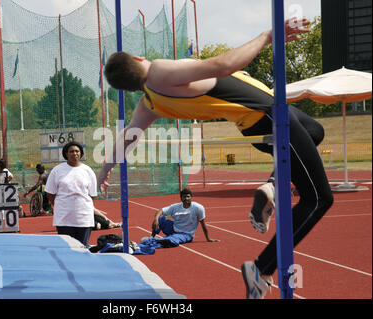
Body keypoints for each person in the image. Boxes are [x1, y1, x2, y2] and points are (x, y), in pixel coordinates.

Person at [97, 17, 334, 299]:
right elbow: (223, 65)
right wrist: (268, 36)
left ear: (130, 88)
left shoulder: (149, 102)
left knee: (315, 130)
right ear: (138, 58)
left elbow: (128, 136)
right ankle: (261, 268)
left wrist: (103, 170)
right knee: (318, 199)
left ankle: (271, 186)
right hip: (269, 118)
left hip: (261, 120)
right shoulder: (159, 71)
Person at [45, 141, 97, 247]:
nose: (74, 154)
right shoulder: (57, 170)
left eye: (77, 151)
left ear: (81, 153)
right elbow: (50, 193)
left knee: (82, 248)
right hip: (64, 218)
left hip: (84, 218)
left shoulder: (88, 171)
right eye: (71, 151)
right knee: (66, 248)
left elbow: (92, 195)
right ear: (66, 154)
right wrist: (60, 206)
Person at [150, 188, 219, 245]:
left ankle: (161, 241)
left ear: (191, 197)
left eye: (188, 196)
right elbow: (161, 211)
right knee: (161, 218)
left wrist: (208, 238)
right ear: (181, 198)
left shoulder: (198, 208)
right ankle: (151, 237)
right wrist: (156, 219)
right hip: (174, 229)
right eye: (184, 197)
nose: (186, 198)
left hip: (186, 234)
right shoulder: (176, 207)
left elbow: (202, 223)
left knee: (172, 239)